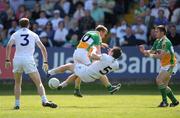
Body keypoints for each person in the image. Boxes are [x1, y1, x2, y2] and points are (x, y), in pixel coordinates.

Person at [5, 18, 57, 110]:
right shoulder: (33, 34)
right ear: (29, 25)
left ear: (19, 25)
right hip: (28, 60)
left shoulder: (15, 34)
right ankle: (44, 101)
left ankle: (17, 104)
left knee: (17, 83)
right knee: (38, 83)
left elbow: (8, 46)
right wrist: (45, 61)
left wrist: (7, 60)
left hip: (17, 59)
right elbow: (43, 48)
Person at [48, 25, 108, 97]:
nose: (104, 36)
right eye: (104, 34)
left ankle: (75, 89)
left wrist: (101, 44)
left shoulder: (90, 32)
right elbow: (98, 52)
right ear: (101, 31)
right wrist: (102, 59)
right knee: (90, 71)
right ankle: (63, 84)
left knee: (79, 72)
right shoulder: (97, 36)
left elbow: (89, 41)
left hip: (77, 52)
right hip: (84, 54)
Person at [139, 25, 179, 107]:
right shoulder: (157, 41)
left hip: (171, 65)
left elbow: (160, 56)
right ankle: (174, 101)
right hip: (164, 65)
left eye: (157, 31)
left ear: (162, 32)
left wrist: (148, 55)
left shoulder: (166, 42)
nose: (155, 32)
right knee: (164, 85)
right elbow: (153, 51)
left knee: (158, 80)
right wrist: (145, 51)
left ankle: (164, 102)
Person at [57, 47, 122, 94]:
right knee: (101, 74)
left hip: (87, 72)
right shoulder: (116, 64)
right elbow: (102, 63)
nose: (109, 50)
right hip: (94, 77)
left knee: (69, 66)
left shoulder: (106, 57)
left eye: (111, 50)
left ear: (112, 53)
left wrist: (94, 49)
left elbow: (92, 56)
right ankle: (110, 88)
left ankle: (58, 79)